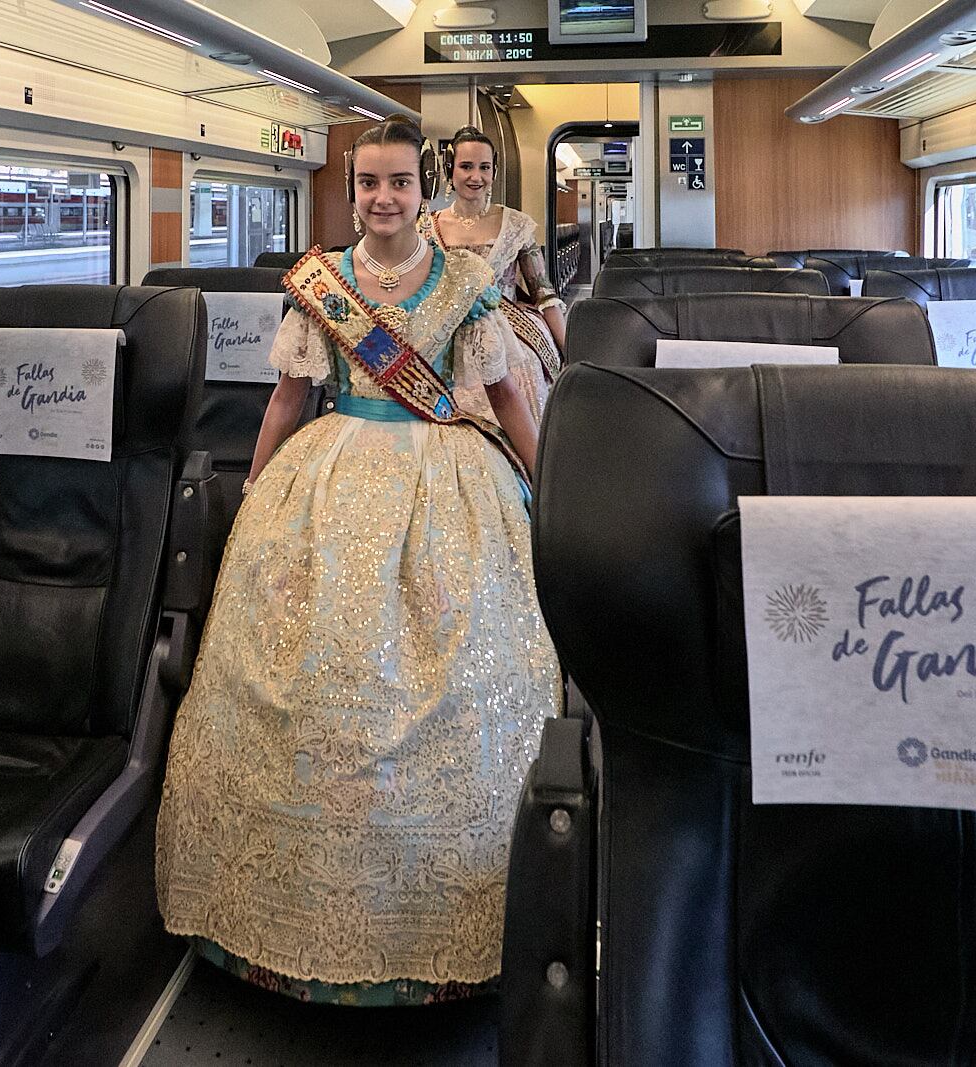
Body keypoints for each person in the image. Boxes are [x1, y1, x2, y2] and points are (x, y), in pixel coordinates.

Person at [155, 114, 561, 1007]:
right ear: (350, 194)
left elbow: (504, 399)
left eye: (400, 184)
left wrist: (546, 488)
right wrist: (258, 492)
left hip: (446, 484)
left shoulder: (466, 283)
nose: (384, 198)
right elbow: (287, 399)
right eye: (368, 185)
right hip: (326, 478)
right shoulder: (320, 284)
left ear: (424, 190)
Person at [428, 125, 567, 421]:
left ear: (494, 172)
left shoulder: (516, 224)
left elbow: (544, 294)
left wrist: (571, 351)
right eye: (466, 166)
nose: (475, 177)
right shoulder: (426, 227)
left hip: (509, 332)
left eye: (484, 168)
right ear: (450, 169)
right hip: (443, 331)